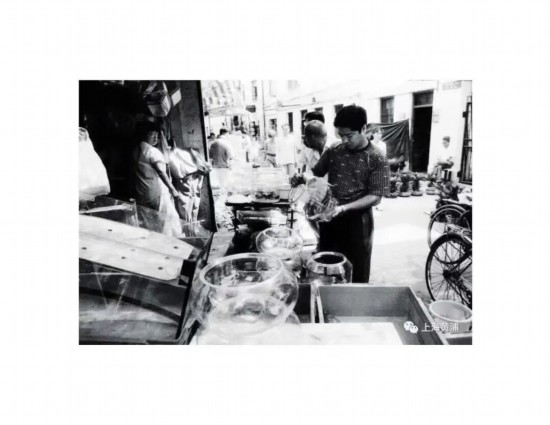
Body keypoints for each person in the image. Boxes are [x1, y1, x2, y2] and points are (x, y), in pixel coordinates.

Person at [291, 105, 390, 282]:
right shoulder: (335, 149)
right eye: (340, 135)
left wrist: (344, 208)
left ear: (364, 129)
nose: (344, 140)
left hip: (358, 222)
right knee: (327, 267)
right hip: (330, 217)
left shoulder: (377, 157)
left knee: (356, 271)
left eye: (349, 136)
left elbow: (375, 197)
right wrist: (302, 177)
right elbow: (316, 172)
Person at [134, 122, 183, 237]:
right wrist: (173, 190)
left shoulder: (135, 150)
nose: (156, 138)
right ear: (145, 135)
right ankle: (171, 243)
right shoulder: (152, 151)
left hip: (142, 193)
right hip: (157, 193)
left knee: (149, 222)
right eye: (153, 135)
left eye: (157, 135)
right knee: (168, 220)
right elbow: (161, 172)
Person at [168, 138, 211, 222]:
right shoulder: (174, 154)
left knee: (192, 205)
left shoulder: (186, 152)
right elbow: (179, 174)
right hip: (188, 181)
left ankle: (192, 226)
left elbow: (206, 168)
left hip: (192, 180)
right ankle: (190, 226)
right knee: (188, 206)